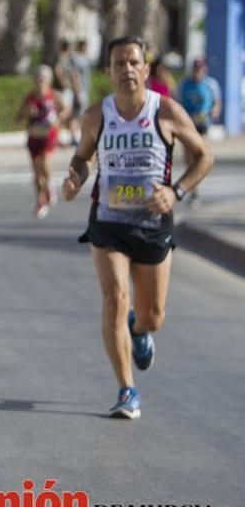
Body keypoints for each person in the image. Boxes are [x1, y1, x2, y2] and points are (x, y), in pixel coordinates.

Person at [61, 36, 213, 420]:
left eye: (133, 62)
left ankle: (140, 329)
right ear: (109, 72)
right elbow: (82, 159)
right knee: (114, 299)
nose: (127, 69)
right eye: (119, 63)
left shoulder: (167, 112)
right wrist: (75, 179)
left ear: (145, 69)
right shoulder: (96, 115)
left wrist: (175, 192)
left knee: (153, 315)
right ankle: (127, 389)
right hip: (108, 222)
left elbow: (204, 157)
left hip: (152, 224)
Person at [16, 65, 69, 218]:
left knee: (45, 161)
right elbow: (19, 116)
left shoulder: (54, 95)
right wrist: (28, 112)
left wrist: (58, 119)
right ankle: (40, 201)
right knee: (36, 172)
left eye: (43, 78)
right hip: (34, 135)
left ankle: (50, 184)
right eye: (38, 77)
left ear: (49, 80)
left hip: (49, 134)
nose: (40, 81)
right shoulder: (30, 97)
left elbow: (65, 109)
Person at [176, 57, 222, 205]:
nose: (197, 73)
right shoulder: (184, 84)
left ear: (205, 70)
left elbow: (217, 104)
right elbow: (177, 103)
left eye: (200, 70)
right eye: (195, 70)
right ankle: (192, 185)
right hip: (187, 124)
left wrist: (214, 112)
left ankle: (195, 189)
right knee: (187, 157)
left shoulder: (211, 84)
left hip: (202, 124)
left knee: (200, 155)